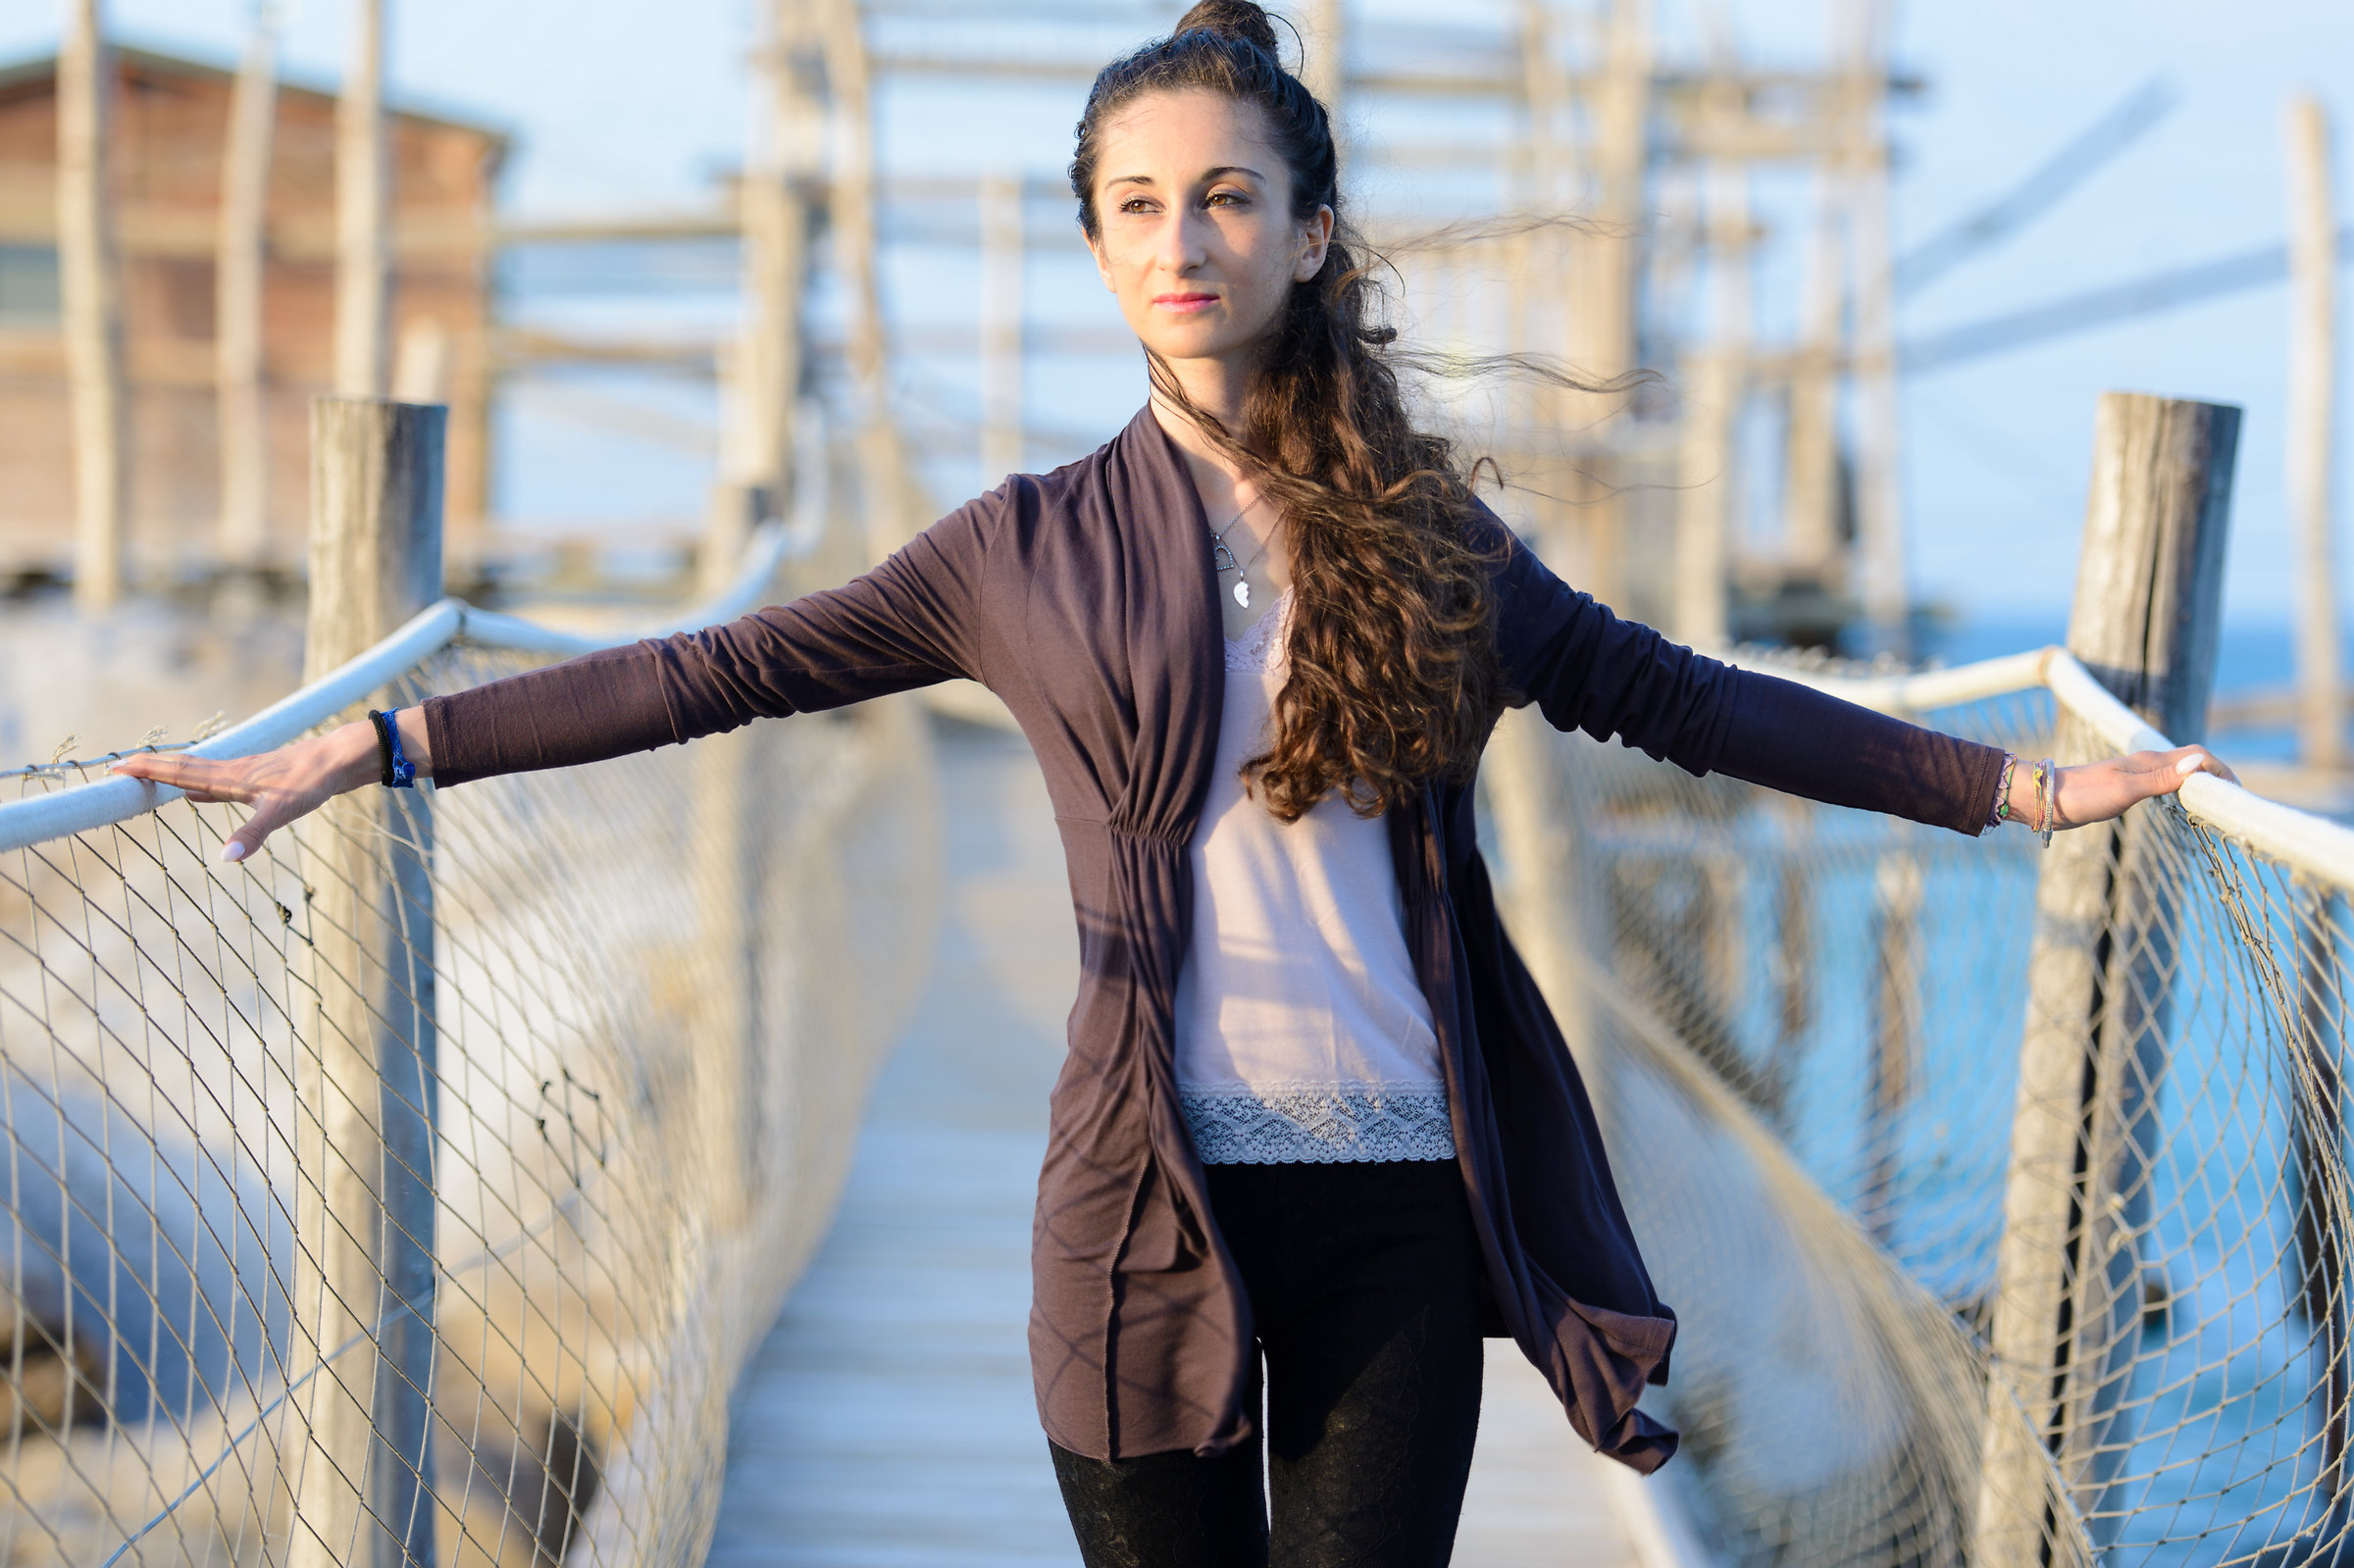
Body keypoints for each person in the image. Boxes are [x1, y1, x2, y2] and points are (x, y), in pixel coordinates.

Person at [117, 4, 2234, 1563]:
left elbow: (1686, 697)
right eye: (1138, 204)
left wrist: (2010, 792)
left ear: (1313, 234)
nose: (1181, 236)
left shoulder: (1436, 549)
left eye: (1227, 194)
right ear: (1101, 246)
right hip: (1139, 1196)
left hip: (1405, 1200)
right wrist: (389, 737)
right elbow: (718, 667)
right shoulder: (1013, 550)